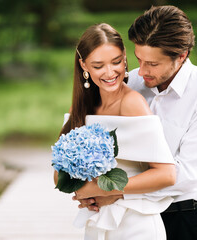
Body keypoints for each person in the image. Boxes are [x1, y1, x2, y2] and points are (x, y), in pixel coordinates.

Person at [77, 6, 197, 240]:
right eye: (139, 59)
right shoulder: (132, 83)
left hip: (184, 215)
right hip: (133, 218)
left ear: (182, 56)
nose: (142, 71)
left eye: (153, 64)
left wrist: (115, 192)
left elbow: (188, 174)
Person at [54, 23, 176, 239]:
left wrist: (105, 190)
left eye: (116, 62)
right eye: (98, 65)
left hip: (136, 221)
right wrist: (84, 191)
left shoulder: (132, 104)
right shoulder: (80, 109)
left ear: (125, 57)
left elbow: (166, 174)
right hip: (98, 221)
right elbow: (58, 174)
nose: (110, 73)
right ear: (83, 65)